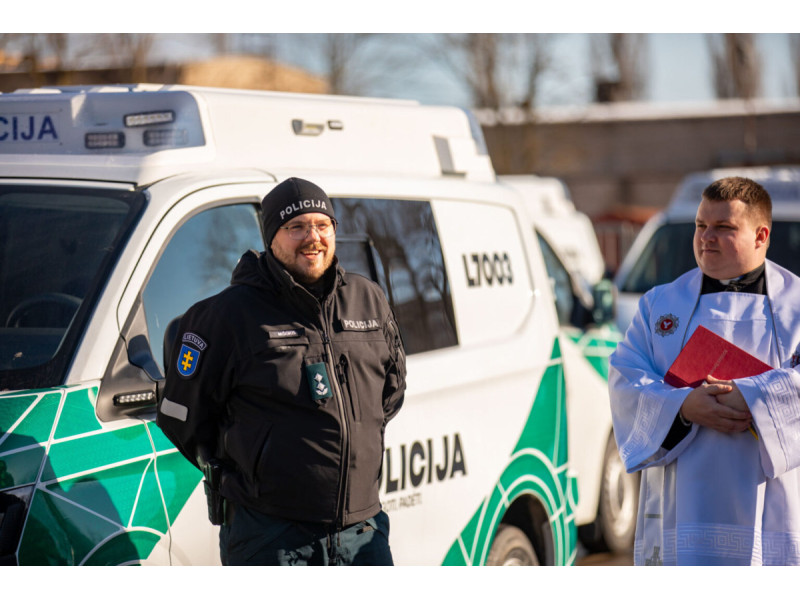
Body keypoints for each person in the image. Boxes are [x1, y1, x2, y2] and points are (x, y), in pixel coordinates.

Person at [157, 177, 406, 565]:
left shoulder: (368, 299)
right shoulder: (227, 316)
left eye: (322, 226)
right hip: (271, 535)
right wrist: (253, 466)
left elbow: (390, 394)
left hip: (363, 531)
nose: (313, 237)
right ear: (271, 237)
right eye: (296, 227)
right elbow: (181, 416)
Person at [609, 176, 800, 565]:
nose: (705, 237)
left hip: (773, 499)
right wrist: (683, 406)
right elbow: (625, 378)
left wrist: (753, 398)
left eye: (723, 227)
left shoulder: (795, 306)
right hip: (684, 501)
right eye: (701, 225)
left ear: (761, 236)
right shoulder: (659, 305)